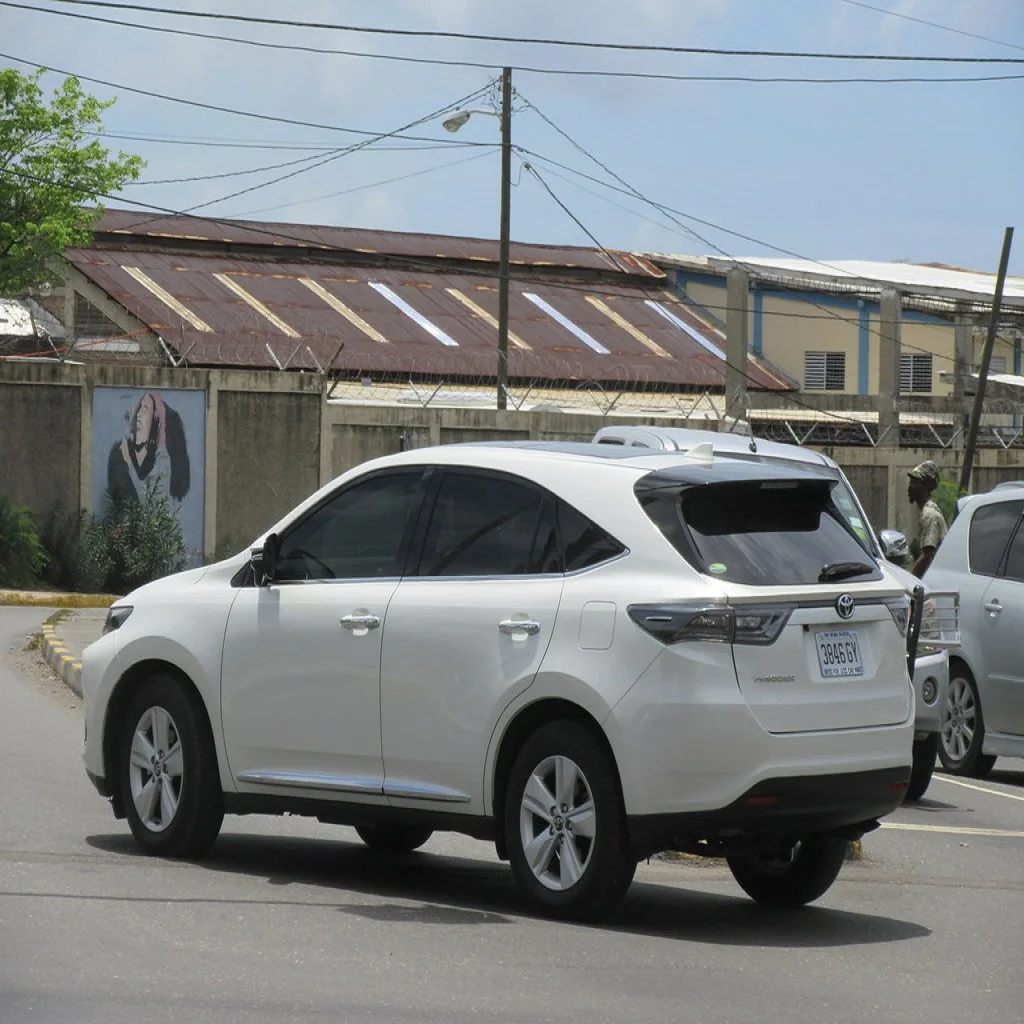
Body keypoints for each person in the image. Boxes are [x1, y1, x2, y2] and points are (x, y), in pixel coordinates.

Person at [107, 390, 191, 508]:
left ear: (154, 419)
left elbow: (147, 504)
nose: (139, 414)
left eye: (145, 409)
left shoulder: (162, 459)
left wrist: (129, 464)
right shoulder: (120, 452)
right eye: (140, 408)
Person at [907, 460, 947, 578]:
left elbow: (926, 557)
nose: (909, 487)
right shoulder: (928, 511)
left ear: (926, 486)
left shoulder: (930, 515)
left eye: (914, 482)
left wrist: (910, 584)